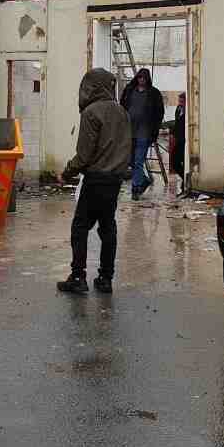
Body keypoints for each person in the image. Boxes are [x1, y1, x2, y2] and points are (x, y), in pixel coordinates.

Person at [57, 68, 132, 294]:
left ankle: (78, 277)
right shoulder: (122, 113)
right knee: (108, 227)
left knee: (80, 227)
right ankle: (106, 278)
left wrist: (67, 173)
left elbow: (84, 155)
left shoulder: (91, 113)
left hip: (96, 178)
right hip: (115, 180)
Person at [119, 68, 164, 199]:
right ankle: (143, 180)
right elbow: (122, 106)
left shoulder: (154, 94)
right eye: (139, 77)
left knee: (138, 160)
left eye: (144, 78)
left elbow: (159, 113)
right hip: (129, 131)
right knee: (130, 160)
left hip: (144, 132)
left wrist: (154, 131)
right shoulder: (129, 91)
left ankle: (136, 188)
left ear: (147, 79)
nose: (141, 80)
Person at [170, 93, 186, 197]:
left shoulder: (187, 112)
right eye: (179, 101)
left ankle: (184, 184)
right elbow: (177, 123)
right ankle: (184, 180)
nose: (180, 103)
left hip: (184, 140)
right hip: (179, 139)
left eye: (182, 101)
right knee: (175, 161)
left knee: (180, 161)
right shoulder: (179, 109)